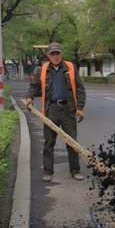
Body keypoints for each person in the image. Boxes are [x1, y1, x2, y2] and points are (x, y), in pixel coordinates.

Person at [24, 42, 86, 182]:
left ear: (61, 54)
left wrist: (80, 108)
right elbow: (34, 86)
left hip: (68, 110)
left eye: (57, 53)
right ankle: (48, 171)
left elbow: (80, 88)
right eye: (53, 54)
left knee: (72, 141)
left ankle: (75, 170)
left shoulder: (70, 67)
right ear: (48, 55)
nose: (56, 56)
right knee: (49, 143)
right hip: (50, 110)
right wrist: (29, 97)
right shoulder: (42, 70)